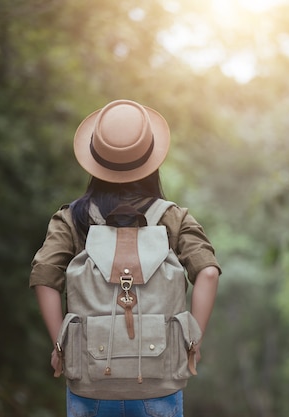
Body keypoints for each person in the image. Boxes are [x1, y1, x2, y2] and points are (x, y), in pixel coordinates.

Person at [29, 99, 221, 417]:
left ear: (95, 160)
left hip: (90, 381)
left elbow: (44, 275)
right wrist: (192, 342)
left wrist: (61, 346)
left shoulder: (71, 219)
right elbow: (209, 273)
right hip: (159, 382)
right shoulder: (173, 218)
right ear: (151, 159)